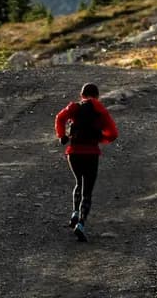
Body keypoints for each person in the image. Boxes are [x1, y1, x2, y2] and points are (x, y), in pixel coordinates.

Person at [54, 82, 119, 242]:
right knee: (87, 191)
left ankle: (75, 212)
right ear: (97, 95)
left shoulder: (75, 107)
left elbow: (60, 117)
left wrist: (62, 135)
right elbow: (113, 133)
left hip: (74, 153)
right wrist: (101, 138)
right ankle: (81, 225)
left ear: (82, 94)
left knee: (78, 182)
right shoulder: (101, 111)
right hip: (91, 153)